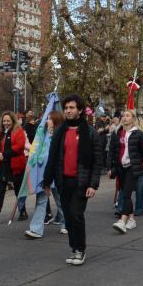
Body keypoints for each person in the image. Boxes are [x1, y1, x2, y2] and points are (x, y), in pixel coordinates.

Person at [43, 95, 103, 266]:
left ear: (80, 110)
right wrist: (47, 182)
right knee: (68, 218)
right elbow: (52, 158)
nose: (68, 111)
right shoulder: (60, 131)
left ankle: (80, 249)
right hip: (63, 182)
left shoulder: (89, 132)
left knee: (76, 214)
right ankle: (73, 247)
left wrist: (93, 184)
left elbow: (97, 161)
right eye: (66, 108)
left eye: (72, 108)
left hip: (81, 182)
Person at [109, 110, 143, 234]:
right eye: (123, 115)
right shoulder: (117, 133)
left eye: (127, 115)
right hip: (120, 168)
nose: (124, 117)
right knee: (124, 192)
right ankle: (132, 219)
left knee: (126, 194)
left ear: (133, 119)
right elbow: (112, 150)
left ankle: (122, 221)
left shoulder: (138, 134)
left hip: (133, 168)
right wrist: (110, 167)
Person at [24, 112, 67, 239]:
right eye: (47, 118)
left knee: (60, 199)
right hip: (44, 173)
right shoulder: (42, 135)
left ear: (56, 121)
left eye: (49, 119)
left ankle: (67, 224)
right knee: (41, 200)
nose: (46, 121)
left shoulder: (60, 136)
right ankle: (36, 229)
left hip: (57, 173)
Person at [0, 111, 28, 224]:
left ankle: (22, 211)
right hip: (2, 165)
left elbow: (19, 147)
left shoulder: (19, 131)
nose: (6, 123)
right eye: (4, 121)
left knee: (18, 190)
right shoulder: (0, 133)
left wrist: (5, 154)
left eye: (8, 120)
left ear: (13, 121)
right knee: (0, 190)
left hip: (15, 164)